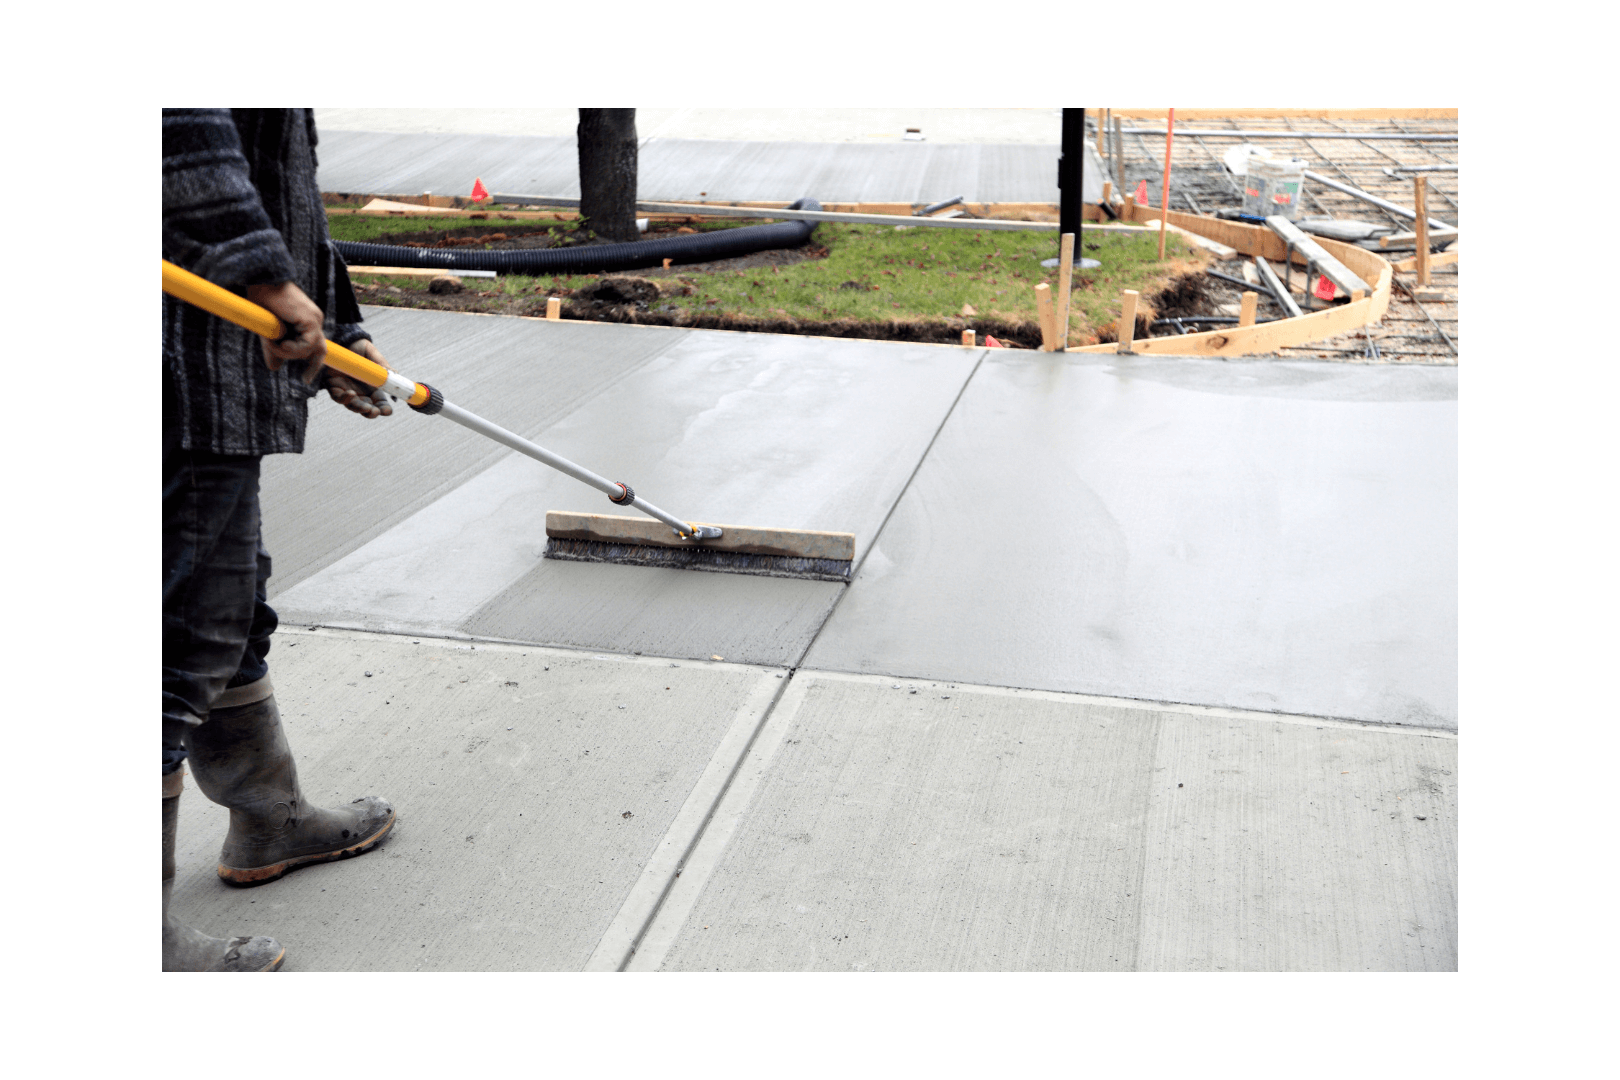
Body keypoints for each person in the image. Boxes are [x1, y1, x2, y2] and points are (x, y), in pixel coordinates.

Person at [163, 109, 397, 971]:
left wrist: (335, 314)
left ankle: (270, 816)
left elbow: (272, 173)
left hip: (226, 368)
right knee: (172, 640)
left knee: (224, 611)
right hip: (182, 367)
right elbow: (178, 135)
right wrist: (269, 282)